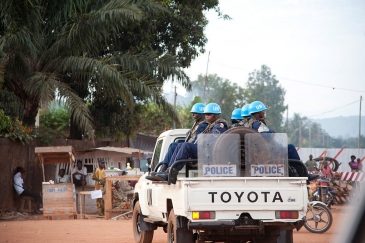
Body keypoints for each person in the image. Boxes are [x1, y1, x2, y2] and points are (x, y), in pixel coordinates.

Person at [151, 103, 228, 184]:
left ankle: (172, 174)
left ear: (216, 115)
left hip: (208, 152)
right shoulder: (211, 125)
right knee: (179, 144)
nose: (206, 116)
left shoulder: (220, 126)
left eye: (209, 114)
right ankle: (167, 171)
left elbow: (212, 139)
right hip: (204, 149)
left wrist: (201, 138)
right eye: (205, 114)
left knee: (186, 145)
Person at [147, 103, 208, 179]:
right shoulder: (197, 124)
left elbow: (197, 142)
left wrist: (186, 145)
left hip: (197, 151)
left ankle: (171, 172)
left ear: (201, 114)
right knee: (173, 145)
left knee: (184, 145)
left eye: (195, 113)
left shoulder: (203, 125)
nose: (192, 114)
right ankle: (163, 170)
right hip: (192, 149)